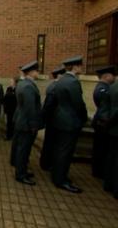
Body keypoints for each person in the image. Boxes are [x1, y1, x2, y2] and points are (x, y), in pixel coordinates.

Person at [50, 56, 88, 193]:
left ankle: (56, 175)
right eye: (80, 66)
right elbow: (78, 104)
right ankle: (61, 180)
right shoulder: (73, 82)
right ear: (75, 67)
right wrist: (84, 118)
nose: (81, 69)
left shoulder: (61, 81)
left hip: (60, 119)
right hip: (70, 121)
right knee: (65, 152)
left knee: (60, 149)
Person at [13, 61, 43, 185]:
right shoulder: (28, 86)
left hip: (22, 121)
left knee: (22, 149)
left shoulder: (22, 83)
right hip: (25, 123)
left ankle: (22, 170)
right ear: (31, 72)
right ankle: (21, 174)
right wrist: (33, 125)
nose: (38, 73)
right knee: (23, 150)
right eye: (36, 71)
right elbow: (30, 108)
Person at [39, 66, 66, 170]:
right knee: (50, 143)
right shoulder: (55, 87)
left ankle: (46, 162)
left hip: (51, 119)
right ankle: (46, 163)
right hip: (52, 119)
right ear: (59, 75)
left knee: (49, 142)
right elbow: (49, 105)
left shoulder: (52, 86)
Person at [91, 66, 115, 178]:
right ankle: (98, 171)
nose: (114, 77)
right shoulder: (103, 89)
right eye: (112, 75)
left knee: (100, 148)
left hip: (101, 122)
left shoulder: (105, 87)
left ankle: (98, 170)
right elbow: (104, 107)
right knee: (100, 149)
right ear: (106, 76)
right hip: (102, 123)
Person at [105, 72, 118, 199]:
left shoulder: (113, 86)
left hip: (113, 127)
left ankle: (108, 183)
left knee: (111, 156)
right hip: (115, 125)